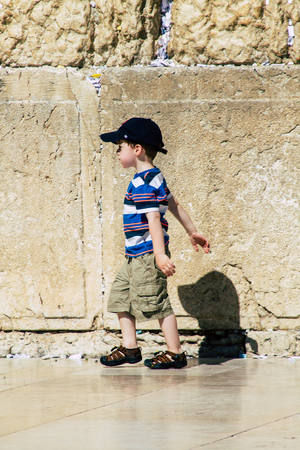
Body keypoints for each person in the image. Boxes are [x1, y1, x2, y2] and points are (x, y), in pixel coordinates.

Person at [100, 118, 210, 369]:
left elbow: (153, 220)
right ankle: (130, 347)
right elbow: (174, 204)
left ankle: (175, 352)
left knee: (157, 301)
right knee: (121, 297)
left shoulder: (142, 182)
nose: (117, 152)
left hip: (148, 254)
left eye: (120, 146)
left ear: (136, 149)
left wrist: (159, 255)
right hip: (134, 254)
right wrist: (192, 232)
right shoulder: (154, 176)